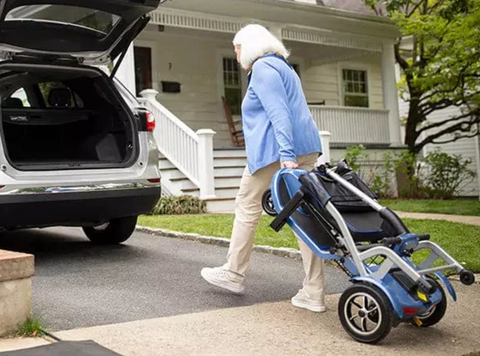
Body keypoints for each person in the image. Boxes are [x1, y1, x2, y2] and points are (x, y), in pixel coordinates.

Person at [201, 24, 326, 312]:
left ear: (252, 45)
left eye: (238, 47)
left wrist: (285, 154)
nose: (236, 54)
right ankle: (314, 291)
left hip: (276, 153)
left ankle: (233, 272)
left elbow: (278, 111)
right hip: (305, 147)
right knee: (304, 217)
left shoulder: (263, 68)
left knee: (247, 204)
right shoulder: (285, 67)